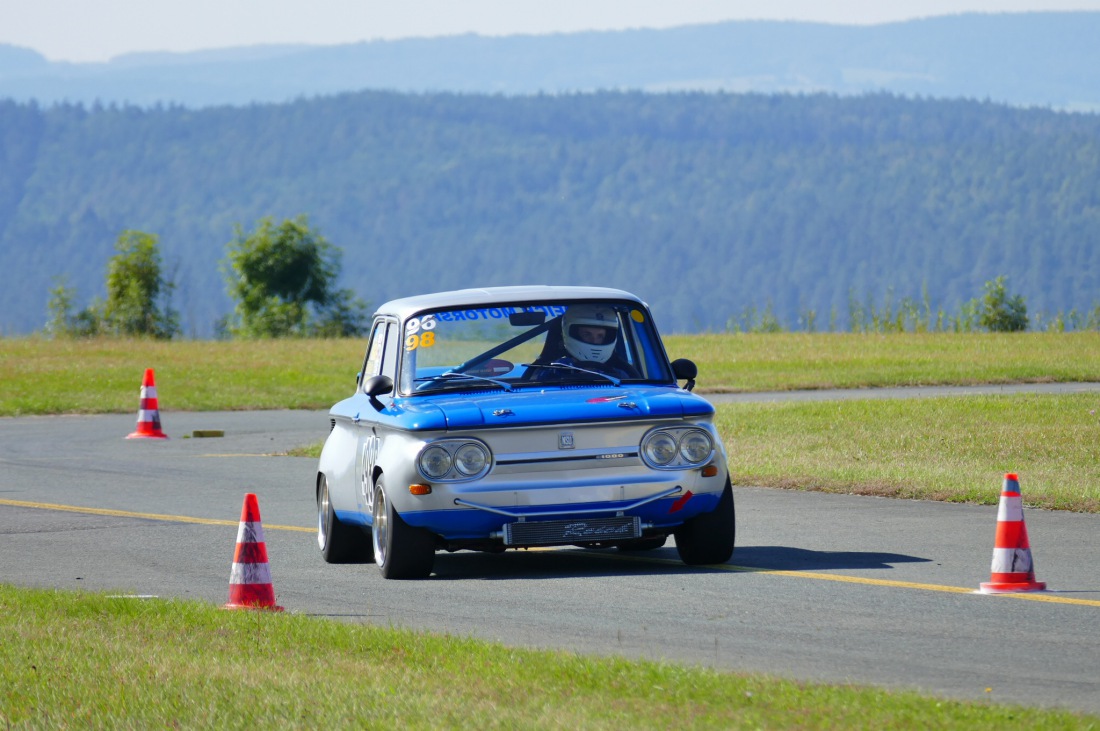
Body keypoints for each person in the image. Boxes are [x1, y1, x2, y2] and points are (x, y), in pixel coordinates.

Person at [527, 304, 638, 380]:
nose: (594, 341)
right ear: (571, 333)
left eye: (600, 336)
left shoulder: (621, 375)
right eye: (587, 334)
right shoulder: (551, 370)